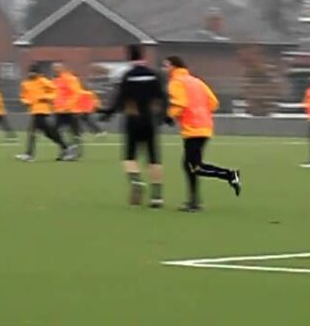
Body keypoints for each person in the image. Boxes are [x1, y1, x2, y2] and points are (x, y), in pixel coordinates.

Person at [164, 56, 240, 212]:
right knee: (189, 165)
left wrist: (170, 116)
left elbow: (180, 103)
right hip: (204, 126)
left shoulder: (176, 82)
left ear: (173, 67)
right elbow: (213, 103)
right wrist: (201, 113)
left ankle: (230, 175)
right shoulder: (196, 81)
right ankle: (194, 202)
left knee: (194, 166)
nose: (164, 69)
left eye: (166, 66)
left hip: (193, 128)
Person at [99, 44, 168, 207]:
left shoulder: (128, 76)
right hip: (150, 120)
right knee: (154, 159)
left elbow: (119, 100)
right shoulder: (154, 75)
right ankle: (156, 197)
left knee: (129, 158)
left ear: (129, 57)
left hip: (132, 119)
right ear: (144, 56)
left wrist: (107, 113)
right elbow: (163, 98)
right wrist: (162, 116)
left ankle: (136, 181)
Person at [17, 65, 73, 162]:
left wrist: (45, 97)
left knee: (32, 131)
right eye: (30, 72)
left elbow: (54, 91)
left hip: (42, 110)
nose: (32, 74)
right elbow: (23, 96)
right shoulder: (25, 84)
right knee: (49, 132)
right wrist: (26, 101)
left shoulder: (43, 81)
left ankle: (29, 154)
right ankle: (66, 147)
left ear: (37, 73)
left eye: (34, 72)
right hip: (34, 110)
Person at [52, 62, 84, 154]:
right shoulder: (55, 80)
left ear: (63, 68)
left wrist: (69, 105)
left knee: (74, 133)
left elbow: (77, 93)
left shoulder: (70, 79)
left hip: (71, 110)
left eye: (57, 67)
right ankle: (65, 149)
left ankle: (75, 153)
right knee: (55, 131)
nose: (55, 70)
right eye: (54, 68)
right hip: (59, 111)